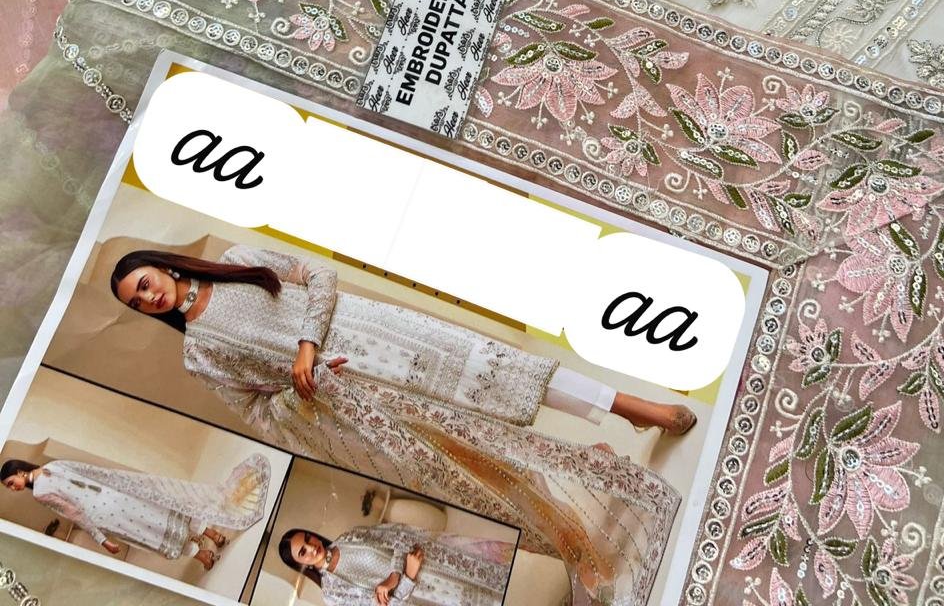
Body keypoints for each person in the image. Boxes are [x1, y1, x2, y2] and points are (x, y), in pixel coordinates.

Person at [108, 242, 683, 603]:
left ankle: (636, 410)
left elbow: (319, 276)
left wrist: (306, 346)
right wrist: (307, 385)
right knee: (482, 468)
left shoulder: (237, 262)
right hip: (365, 404)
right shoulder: (198, 356)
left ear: (161, 265)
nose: (148, 298)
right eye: (137, 303)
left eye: (143, 284)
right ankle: (575, 544)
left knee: (508, 371)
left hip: (392, 340)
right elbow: (259, 415)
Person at [1, 453, 269, 569]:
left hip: (109, 517)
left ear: (19, 472)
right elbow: (94, 473)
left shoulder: (39, 492)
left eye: (10, 483)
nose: (13, 488)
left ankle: (205, 556)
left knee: (154, 536)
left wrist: (101, 539)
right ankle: (214, 535)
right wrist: (124, 482)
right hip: (119, 495)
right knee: (164, 512)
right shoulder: (54, 465)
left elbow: (75, 513)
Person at [278, 524, 514, 605]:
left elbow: (398, 536)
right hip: (428, 596)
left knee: (507, 581)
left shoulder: (350, 536)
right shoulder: (333, 594)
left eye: (307, 539)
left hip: (434, 562)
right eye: (303, 552)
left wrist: (393, 576)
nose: (311, 548)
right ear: (302, 564)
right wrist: (408, 577)